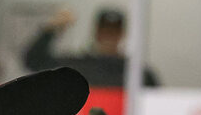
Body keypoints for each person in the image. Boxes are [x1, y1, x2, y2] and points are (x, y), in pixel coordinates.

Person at [22, 6, 159, 87]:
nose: (109, 36)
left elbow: (156, 102)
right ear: (96, 32)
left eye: (114, 31)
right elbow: (34, 61)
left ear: (122, 34)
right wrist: (51, 29)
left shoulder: (136, 71)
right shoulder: (78, 64)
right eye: (104, 31)